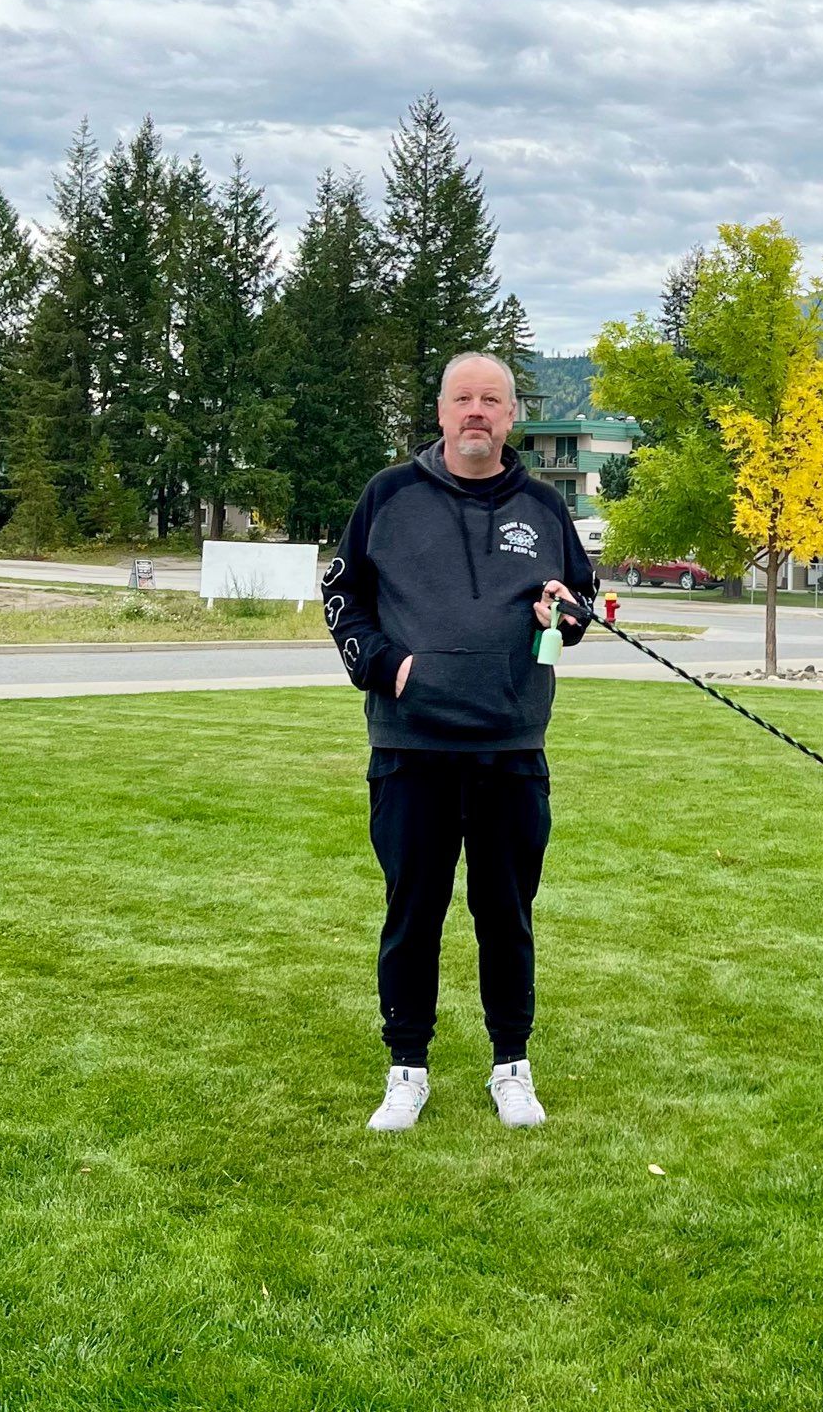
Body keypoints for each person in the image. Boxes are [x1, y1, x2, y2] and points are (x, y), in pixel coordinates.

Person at [324, 351, 597, 1132]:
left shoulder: (544, 507)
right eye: (462, 399)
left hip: (512, 747)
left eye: (492, 400)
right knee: (413, 911)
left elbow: (574, 605)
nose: (477, 412)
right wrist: (385, 666)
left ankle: (511, 1065)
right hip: (412, 748)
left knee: (506, 913)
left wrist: (563, 615)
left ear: (512, 416)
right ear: (441, 413)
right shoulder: (389, 496)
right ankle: (405, 1069)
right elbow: (341, 591)